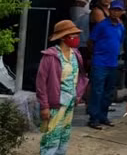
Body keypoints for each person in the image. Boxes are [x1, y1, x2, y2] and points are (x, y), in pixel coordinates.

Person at [36, 20, 88, 155]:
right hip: (56, 103)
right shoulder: (50, 57)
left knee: (64, 134)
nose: (76, 39)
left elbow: (80, 75)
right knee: (51, 135)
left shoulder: (75, 54)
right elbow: (41, 84)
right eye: (73, 36)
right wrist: (44, 106)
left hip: (70, 101)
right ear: (64, 38)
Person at [87, 0, 125, 129]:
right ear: (110, 11)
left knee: (108, 92)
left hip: (112, 63)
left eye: (119, 10)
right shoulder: (102, 25)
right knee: (97, 91)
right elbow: (91, 42)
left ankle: (103, 116)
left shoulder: (121, 26)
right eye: (114, 9)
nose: (116, 12)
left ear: (122, 12)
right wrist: (96, 55)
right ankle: (94, 118)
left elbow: (120, 42)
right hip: (100, 63)